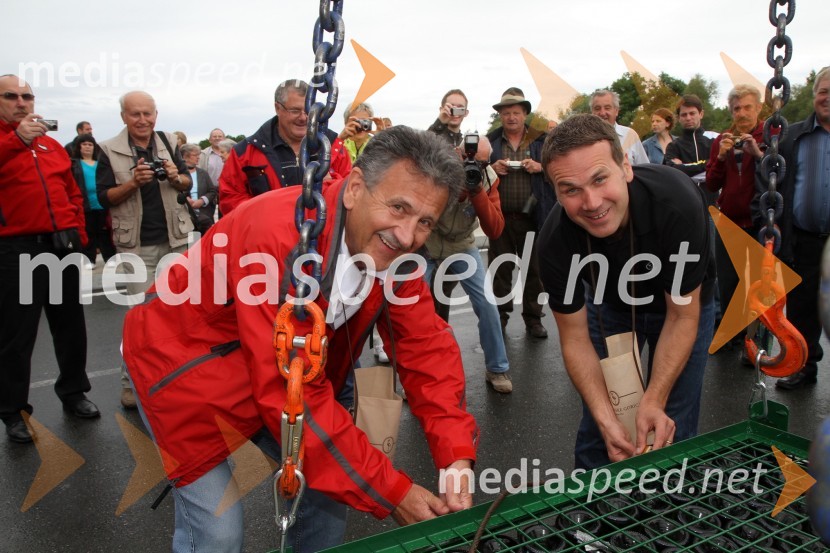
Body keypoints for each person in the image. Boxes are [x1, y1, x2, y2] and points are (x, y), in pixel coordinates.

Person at [121, 126, 477, 553]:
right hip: (178, 364)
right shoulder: (279, 237)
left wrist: (455, 455)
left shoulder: (395, 256)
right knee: (217, 533)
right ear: (355, 188)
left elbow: (426, 351)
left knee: (328, 489)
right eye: (398, 207)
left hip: (265, 366)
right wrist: (393, 492)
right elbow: (291, 392)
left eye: (425, 222)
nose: (406, 236)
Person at [538, 114, 716, 469]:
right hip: (613, 306)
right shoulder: (554, 243)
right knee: (603, 421)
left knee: (669, 416)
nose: (591, 203)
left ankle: (669, 508)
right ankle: (591, 512)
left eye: (600, 179)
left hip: (682, 306)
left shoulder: (676, 202)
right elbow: (574, 340)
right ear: (554, 191)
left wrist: (654, 398)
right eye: (571, 189)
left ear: (626, 167)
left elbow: (682, 315)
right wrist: (605, 415)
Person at [0, 75, 100, 443]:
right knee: (17, 334)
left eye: (27, 96)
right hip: (17, 248)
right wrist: (17, 140)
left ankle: (74, 391)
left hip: (62, 246)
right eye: (11, 96)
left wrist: (82, 239)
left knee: (71, 326)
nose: (21, 103)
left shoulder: (51, 146)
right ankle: (12, 409)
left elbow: (72, 192)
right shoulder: (11, 142)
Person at [96, 90, 193, 409]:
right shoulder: (108, 149)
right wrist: (134, 182)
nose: (142, 120)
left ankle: (176, 379)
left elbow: (187, 183)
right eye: (135, 114)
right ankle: (131, 384)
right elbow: (103, 198)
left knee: (177, 316)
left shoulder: (168, 142)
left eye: (147, 114)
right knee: (140, 319)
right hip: (136, 248)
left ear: (156, 115)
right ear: (123, 116)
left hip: (174, 242)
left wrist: (175, 175)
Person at [424, 89, 512, 393]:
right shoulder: (440, 170)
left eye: (482, 163)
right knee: (414, 308)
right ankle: (417, 376)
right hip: (430, 245)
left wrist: (477, 191)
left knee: (488, 303)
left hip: (462, 245)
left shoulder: (487, 179)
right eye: (469, 159)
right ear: (458, 154)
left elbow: (495, 229)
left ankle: (497, 368)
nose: (474, 166)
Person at [752, 66, 830, 390]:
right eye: (824, 90)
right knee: (802, 307)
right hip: (806, 239)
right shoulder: (791, 137)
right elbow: (769, 182)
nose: (828, 97)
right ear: (814, 95)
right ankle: (805, 365)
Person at [219, 79, 352, 215]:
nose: (303, 117)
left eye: (308, 111)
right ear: (278, 108)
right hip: (269, 234)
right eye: (295, 111)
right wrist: (265, 213)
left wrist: (331, 184)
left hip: (320, 234)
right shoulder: (246, 152)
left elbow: (352, 193)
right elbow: (230, 199)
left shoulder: (334, 147)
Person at [487, 87, 555, 339]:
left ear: (524, 113)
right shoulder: (490, 142)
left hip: (534, 217)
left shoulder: (542, 141)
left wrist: (541, 166)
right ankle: (501, 317)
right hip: (500, 217)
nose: (511, 117)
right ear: (500, 115)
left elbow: (558, 170)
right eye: (506, 113)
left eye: (516, 112)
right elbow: (477, 175)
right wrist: (491, 169)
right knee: (501, 270)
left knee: (534, 271)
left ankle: (534, 319)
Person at [705, 85, 765, 355]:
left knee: (758, 287)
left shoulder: (771, 134)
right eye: (736, 108)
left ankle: (756, 344)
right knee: (728, 283)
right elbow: (711, 182)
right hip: (729, 221)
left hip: (760, 221)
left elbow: (781, 172)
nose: (741, 113)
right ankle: (735, 337)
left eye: (747, 107)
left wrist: (758, 154)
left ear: (759, 108)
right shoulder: (723, 139)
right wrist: (720, 157)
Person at [70, 134, 116, 269]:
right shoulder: (74, 164)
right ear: (79, 147)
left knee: (104, 232)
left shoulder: (100, 162)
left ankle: (110, 257)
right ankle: (90, 259)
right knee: (89, 232)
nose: (87, 147)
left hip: (101, 202)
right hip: (85, 204)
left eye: (90, 144)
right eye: (84, 144)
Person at [590, 89, 649, 166]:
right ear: (592, 112)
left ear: (616, 111)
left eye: (607, 108)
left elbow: (645, 168)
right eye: (597, 109)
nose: (602, 113)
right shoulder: (584, 139)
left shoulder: (630, 135)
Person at [664, 94, 713, 178]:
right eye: (684, 115)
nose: (688, 118)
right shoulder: (673, 146)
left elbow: (719, 165)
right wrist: (707, 164)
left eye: (692, 113)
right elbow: (672, 172)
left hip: (710, 190)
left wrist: (684, 167)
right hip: (684, 191)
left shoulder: (714, 139)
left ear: (701, 114)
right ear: (679, 118)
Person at [180, 143, 218, 233]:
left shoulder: (203, 173)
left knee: (205, 243)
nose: (198, 157)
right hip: (185, 218)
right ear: (185, 156)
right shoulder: (178, 173)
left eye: (198, 155)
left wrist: (202, 201)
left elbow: (212, 191)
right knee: (193, 243)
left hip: (204, 217)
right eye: (195, 155)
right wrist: (185, 200)